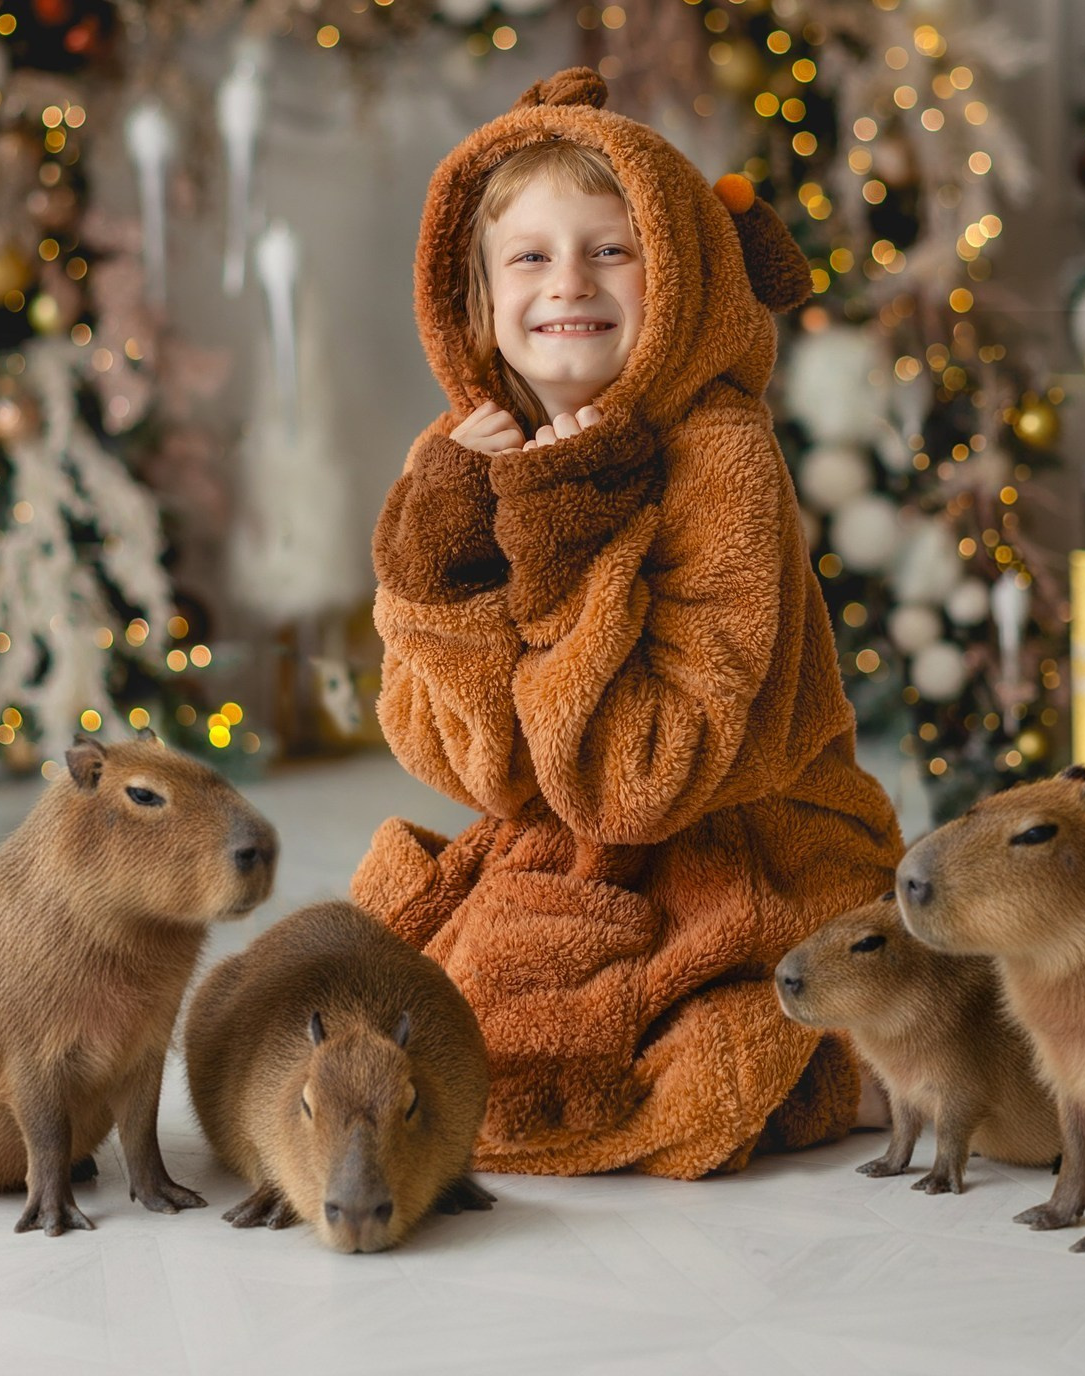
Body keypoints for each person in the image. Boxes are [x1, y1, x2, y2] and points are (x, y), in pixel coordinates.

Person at [351, 65, 901, 1180]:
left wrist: (564, 549)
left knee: (615, 1081)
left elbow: (641, 786)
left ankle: (839, 1069)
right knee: (405, 1027)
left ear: (679, 275)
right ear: (476, 294)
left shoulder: (721, 455)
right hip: (565, 828)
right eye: (529, 257)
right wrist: (444, 574)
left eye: (611, 250)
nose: (570, 281)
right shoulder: (459, 459)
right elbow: (450, 756)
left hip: (740, 836)